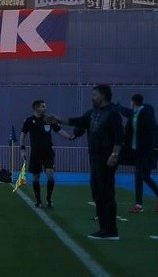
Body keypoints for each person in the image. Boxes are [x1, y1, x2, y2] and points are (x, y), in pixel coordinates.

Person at [48, 84, 125, 240]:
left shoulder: (113, 114)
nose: (92, 97)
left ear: (103, 95)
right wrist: (59, 120)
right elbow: (79, 121)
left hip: (107, 158)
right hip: (95, 157)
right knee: (97, 192)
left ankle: (111, 230)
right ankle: (103, 228)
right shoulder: (92, 113)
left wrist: (114, 154)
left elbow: (119, 136)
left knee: (106, 193)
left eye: (94, 94)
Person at [124, 94, 158, 214]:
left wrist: (153, 148)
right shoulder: (135, 115)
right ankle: (139, 205)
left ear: (133, 102)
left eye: (130, 102)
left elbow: (154, 132)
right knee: (138, 176)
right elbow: (128, 114)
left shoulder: (145, 114)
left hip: (146, 151)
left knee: (143, 175)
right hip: (138, 151)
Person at [21, 100, 66, 208]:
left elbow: (59, 130)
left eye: (45, 106)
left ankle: (49, 198)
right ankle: (38, 200)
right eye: (43, 106)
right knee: (36, 177)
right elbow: (23, 134)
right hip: (35, 153)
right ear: (36, 108)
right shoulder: (28, 120)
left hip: (48, 152)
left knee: (50, 174)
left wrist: (69, 137)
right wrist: (22, 149)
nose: (45, 108)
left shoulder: (49, 119)